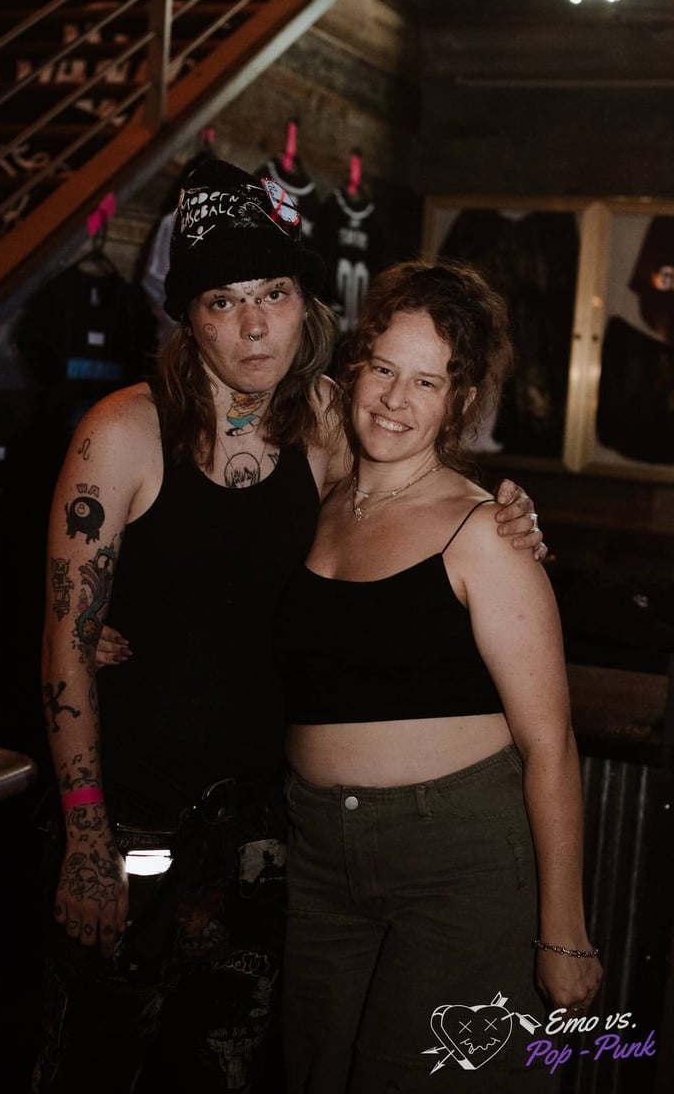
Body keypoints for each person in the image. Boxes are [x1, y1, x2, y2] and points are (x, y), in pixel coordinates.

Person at [30, 159, 546, 1093]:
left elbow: (415, 485)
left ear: (305, 302)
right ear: (188, 316)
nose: (255, 324)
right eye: (223, 301)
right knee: (93, 1067)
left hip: (272, 837)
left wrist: (508, 514)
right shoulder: (123, 431)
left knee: (230, 1075)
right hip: (133, 818)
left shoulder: (326, 422)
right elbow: (66, 636)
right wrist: (85, 838)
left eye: (272, 293)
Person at [272, 260, 603, 1093]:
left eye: (427, 382)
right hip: (317, 854)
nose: (395, 399)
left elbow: (550, 743)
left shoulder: (486, 531)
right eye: (383, 369)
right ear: (355, 369)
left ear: (459, 402)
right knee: (312, 1073)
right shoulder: (317, 499)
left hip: (459, 861)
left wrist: (563, 930)